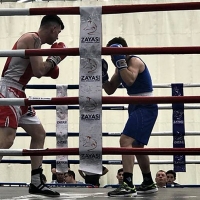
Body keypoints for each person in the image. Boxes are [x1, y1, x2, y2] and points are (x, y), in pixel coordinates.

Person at [0, 15, 67, 197]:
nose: (57, 38)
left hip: (19, 91)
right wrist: (55, 59)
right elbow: (39, 71)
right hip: (8, 89)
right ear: (53, 29)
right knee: (6, 140)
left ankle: (36, 182)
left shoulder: (34, 42)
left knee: (39, 133)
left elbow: (37, 70)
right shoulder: (33, 39)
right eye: (58, 33)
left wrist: (52, 63)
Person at [103, 37, 158, 197]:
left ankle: (127, 184)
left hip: (146, 105)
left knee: (125, 140)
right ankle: (148, 182)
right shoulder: (119, 67)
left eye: (115, 54)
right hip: (134, 105)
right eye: (111, 56)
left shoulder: (134, 61)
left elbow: (130, 80)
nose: (113, 59)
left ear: (123, 51)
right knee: (137, 146)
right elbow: (110, 89)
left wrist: (120, 61)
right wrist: (103, 76)